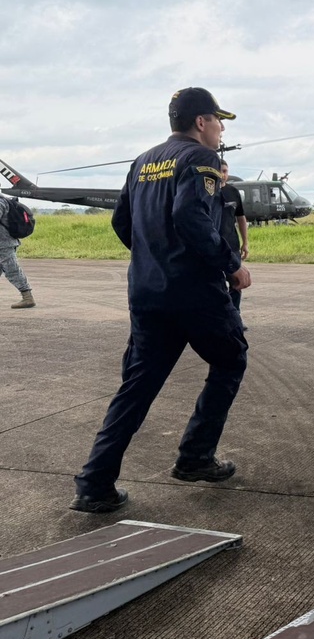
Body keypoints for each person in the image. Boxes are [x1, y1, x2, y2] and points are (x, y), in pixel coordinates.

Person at [71, 87, 251, 513]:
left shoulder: (143, 161)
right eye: (219, 120)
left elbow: (121, 221)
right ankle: (194, 458)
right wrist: (231, 264)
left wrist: (153, 255)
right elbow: (190, 216)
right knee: (230, 360)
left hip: (148, 293)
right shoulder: (202, 159)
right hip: (194, 294)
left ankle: (94, 484)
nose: (222, 129)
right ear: (201, 122)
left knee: (137, 385)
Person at [219, 160, 249, 312]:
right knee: (217, 286)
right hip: (215, 246)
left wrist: (245, 242)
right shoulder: (208, 193)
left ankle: (235, 316)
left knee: (236, 284)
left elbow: (241, 218)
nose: (223, 175)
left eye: (225, 171)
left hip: (232, 246)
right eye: (220, 171)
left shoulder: (233, 192)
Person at [0, 196, 35, 309]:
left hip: (4, 244)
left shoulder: (1, 202)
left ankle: (27, 298)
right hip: (4, 243)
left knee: (12, 270)